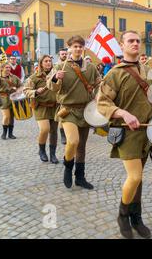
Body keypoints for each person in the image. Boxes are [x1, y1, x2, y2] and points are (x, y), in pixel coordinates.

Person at [97, 30, 152, 239]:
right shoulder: (114, 73)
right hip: (127, 132)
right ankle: (123, 215)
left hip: (147, 130)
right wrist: (123, 113)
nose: (135, 44)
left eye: (137, 41)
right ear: (122, 45)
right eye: (130, 41)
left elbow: (150, 99)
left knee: (139, 179)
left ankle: (137, 217)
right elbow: (102, 103)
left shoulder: (147, 70)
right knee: (134, 176)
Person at [47, 35, 101, 190]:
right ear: (69, 48)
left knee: (82, 146)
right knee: (73, 141)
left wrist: (101, 92)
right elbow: (52, 87)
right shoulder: (60, 67)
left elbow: (98, 83)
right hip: (68, 110)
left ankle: (80, 177)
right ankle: (68, 167)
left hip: (85, 110)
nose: (78, 49)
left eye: (80, 46)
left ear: (83, 48)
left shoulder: (90, 67)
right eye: (75, 46)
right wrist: (56, 79)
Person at [23, 55, 59, 164]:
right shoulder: (34, 77)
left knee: (53, 132)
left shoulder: (56, 75)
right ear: (41, 63)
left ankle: (53, 154)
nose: (48, 63)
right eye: (46, 61)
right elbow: (26, 90)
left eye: (50, 61)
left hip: (54, 106)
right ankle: (42, 150)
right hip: (40, 106)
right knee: (45, 129)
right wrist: (36, 92)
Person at [0, 63, 22, 139]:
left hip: (13, 99)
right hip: (3, 98)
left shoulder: (14, 77)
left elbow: (21, 85)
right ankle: (4, 133)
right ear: (2, 69)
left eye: (9, 67)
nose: (8, 69)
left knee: (11, 117)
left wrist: (18, 91)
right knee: (6, 116)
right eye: (6, 67)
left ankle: (10, 134)